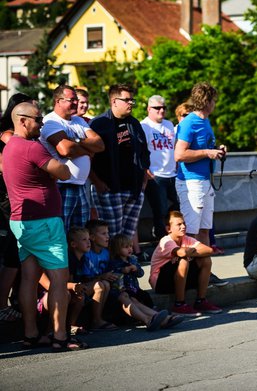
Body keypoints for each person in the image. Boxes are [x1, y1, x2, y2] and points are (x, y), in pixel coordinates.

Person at [3, 102, 84, 350]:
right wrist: (53, 169)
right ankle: (60, 336)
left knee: (29, 277)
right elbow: (63, 172)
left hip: (20, 221)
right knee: (59, 279)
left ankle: (31, 334)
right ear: (23, 121)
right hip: (44, 221)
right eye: (38, 119)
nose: (41, 123)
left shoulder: (10, 147)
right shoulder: (31, 148)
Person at [89, 84, 150, 259]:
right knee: (112, 237)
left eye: (132, 99)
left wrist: (143, 180)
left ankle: (128, 279)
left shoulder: (134, 123)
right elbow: (88, 158)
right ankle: (114, 279)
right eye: (127, 99)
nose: (131, 103)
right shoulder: (99, 124)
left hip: (135, 189)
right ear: (114, 101)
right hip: (110, 189)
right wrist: (97, 182)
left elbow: (144, 153)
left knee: (127, 239)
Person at [40, 85, 105, 231]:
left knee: (80, 233)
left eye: (76, 99)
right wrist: (87, 149)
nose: (76, 103)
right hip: (62, 185)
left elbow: (100, 144)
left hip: (80, 185)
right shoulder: (51, 121)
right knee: (63, 231)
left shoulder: (78, 121)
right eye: (72, 100)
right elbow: (65, 150)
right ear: (58, 101)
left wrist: (75, 141)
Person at [174, 82, 227, 248]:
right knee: (190, 231)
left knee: (205, 230)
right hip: (191, 182)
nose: (215, 104)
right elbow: (179, 154)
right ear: (208, 101)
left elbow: (204, 147)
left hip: (205, 181)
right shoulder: (190, 123)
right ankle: (190, 272)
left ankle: (205, 272)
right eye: (214, 100)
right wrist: (207, 153)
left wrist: (216, 151)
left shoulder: (205, 121)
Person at [0, 93, 36, 323]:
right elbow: (6, 167)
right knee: (13, 255)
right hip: (7, 200)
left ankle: (12, 301)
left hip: (17, 200)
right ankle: (1, 304)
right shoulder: (7, 135)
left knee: (20, 256)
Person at [150, 211, 222, 315]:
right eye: (179, 224)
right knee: (183, 260)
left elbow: (209, 250)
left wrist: (188, 252)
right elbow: (181, 252)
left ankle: (201, 301)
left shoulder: (186, 239)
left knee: (205, 259)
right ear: (168, 229)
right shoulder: (166, 241)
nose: (183, 226)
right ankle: (179, 305)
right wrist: (189, 251)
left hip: (179, 279)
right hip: (161, 283)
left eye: (184, 223)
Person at [108, 234, 180, 330]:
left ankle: (160, 318)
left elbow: (141, 273)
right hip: (121, 291)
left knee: (142, 297)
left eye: (130, 246)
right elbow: (112, 275)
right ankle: (155, 318)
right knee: (133, 300)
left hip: (134, 290)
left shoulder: (133, 259)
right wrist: (122, 270)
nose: (130, 249)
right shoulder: (114, 262)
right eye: (126, 247)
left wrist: (136, 269)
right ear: (117, 249)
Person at [141, 95, 179, 239]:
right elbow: (140, 150)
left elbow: (174, 147)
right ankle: (161, 240)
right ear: (149, 109)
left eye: (164, 107)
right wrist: (145, 170)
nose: (161, 110)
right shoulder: (144, 126)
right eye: (157, 108)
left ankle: (172, 236)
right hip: (156, 175)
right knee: (160, 210)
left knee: (177, 206)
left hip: (172, 174)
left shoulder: (169, 124)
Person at [66, 226, 114, 334]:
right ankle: (70, 325)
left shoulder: (83, 258)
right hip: (71, 290)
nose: (88, 242)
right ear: (73, 244)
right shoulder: (70, 259)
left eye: (88, 239)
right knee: (98, 286)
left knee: (104, 284)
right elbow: (67, 282)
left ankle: (97, 320)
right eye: (84, 240)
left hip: (81, 286)